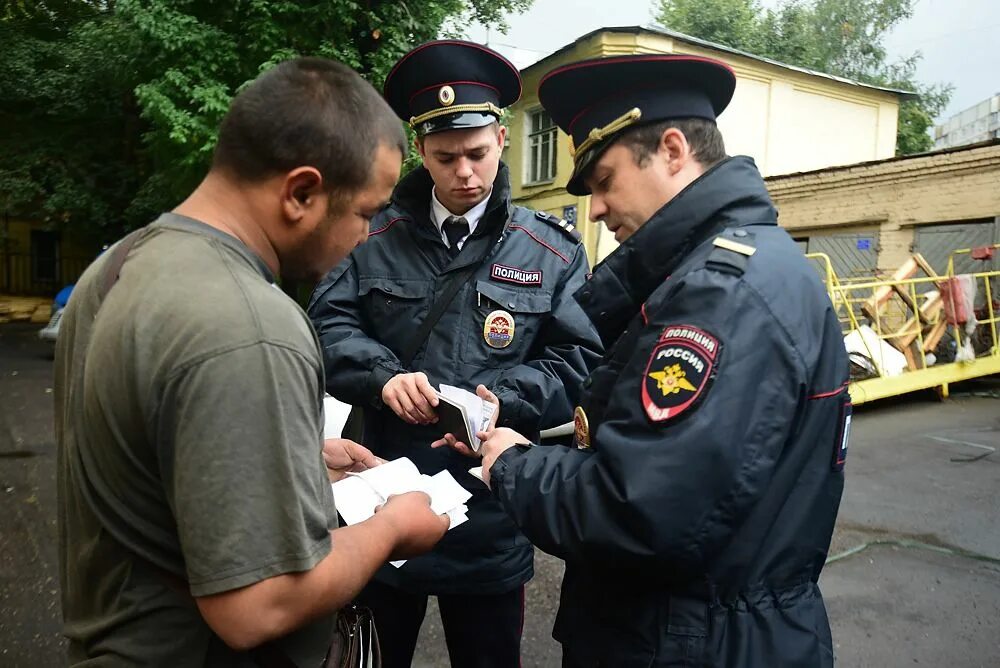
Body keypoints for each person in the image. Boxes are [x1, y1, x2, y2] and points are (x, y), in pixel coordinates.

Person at [451, 54, 851, 667]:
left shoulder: (718, 295)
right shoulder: (741, 270)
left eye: (605, 181)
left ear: (671, 150)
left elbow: (637, 512)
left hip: (688, 642)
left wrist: (513, 465)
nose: (597, 210)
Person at [54, 57, 450, 667]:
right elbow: (255, 606)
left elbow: (146, 450)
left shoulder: (119, 269)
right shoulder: (251, 323)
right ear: (301, 192)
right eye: (365, 214)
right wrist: (394, 528)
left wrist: (288, 456)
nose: (368, 239)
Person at [308, 40, 603, 668]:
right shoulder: (371, 236)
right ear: (422, 152)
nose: (464, 172)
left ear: (501, 138)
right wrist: (382, 377)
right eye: (446, 158)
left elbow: (580, 358)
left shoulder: (550, 250)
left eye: (476, 153)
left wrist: (507, 399)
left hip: (491, 508)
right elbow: (325, 328)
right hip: (382, 499)